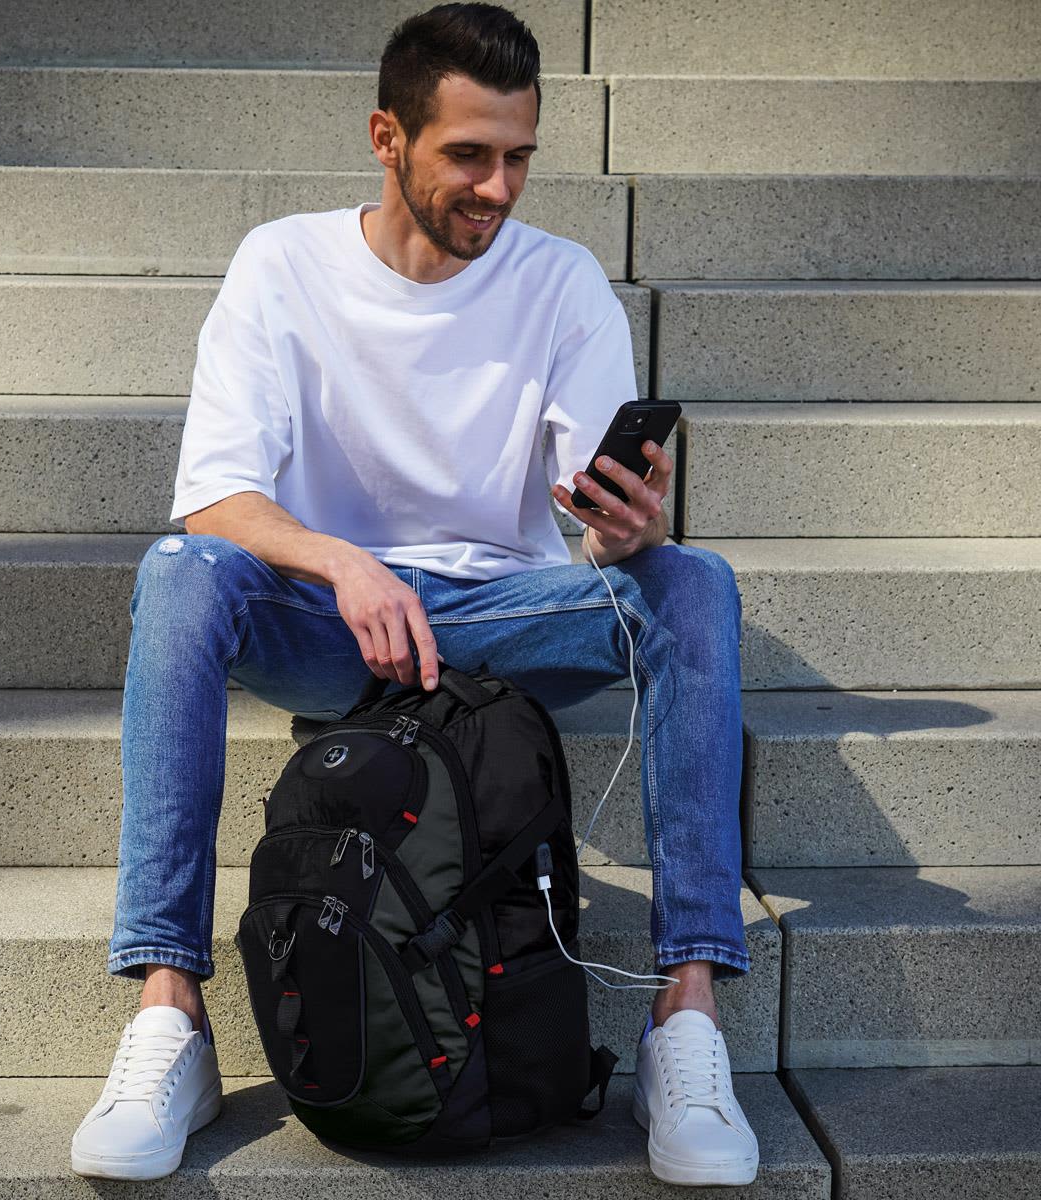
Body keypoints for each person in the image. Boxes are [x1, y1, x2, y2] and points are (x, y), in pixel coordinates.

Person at [71, 2, 758, 1187]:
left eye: (519, 157)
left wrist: (626, 529)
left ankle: (684, 1015)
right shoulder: (282, 263)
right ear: (386, 137)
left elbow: (589, 507)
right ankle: (169, 1009)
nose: (498, 188)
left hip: (496, 621)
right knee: (178, 573)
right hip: (328, 621)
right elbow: (216, 500)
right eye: (469, 155)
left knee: (693, 581)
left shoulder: (561, 281)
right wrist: (344, 561)